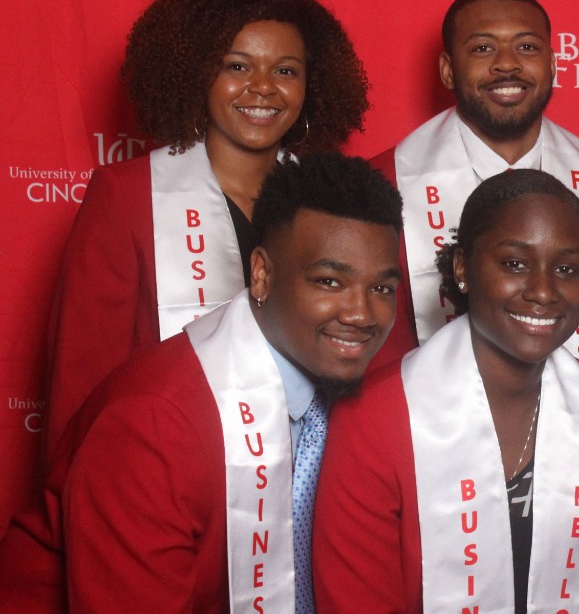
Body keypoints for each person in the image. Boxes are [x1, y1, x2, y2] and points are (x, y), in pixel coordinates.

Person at [0, 153, 402, 612]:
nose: (361, 315)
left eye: (382, 289)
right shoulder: (153, 426)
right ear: (262, 274)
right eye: (329, 282)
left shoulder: (352, 397)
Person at [43, 0, 370, 459]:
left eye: (286, 71)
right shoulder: (127, 197)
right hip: (161, 465)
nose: (262, 88)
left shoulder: (336, 203)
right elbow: (82, 381)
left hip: (307, 474)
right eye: (237, 66)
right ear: (199, 75)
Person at [313, 168, 579, 613]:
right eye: (514, 264)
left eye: (566, 268)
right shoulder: (374, 418)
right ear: (463, 269)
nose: (544, 291)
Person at [369, 0, 579, 369]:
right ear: (448, 70)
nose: (507, 63)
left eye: (527, 47)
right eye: (483, 48)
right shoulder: (378, 187)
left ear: (552, 64)